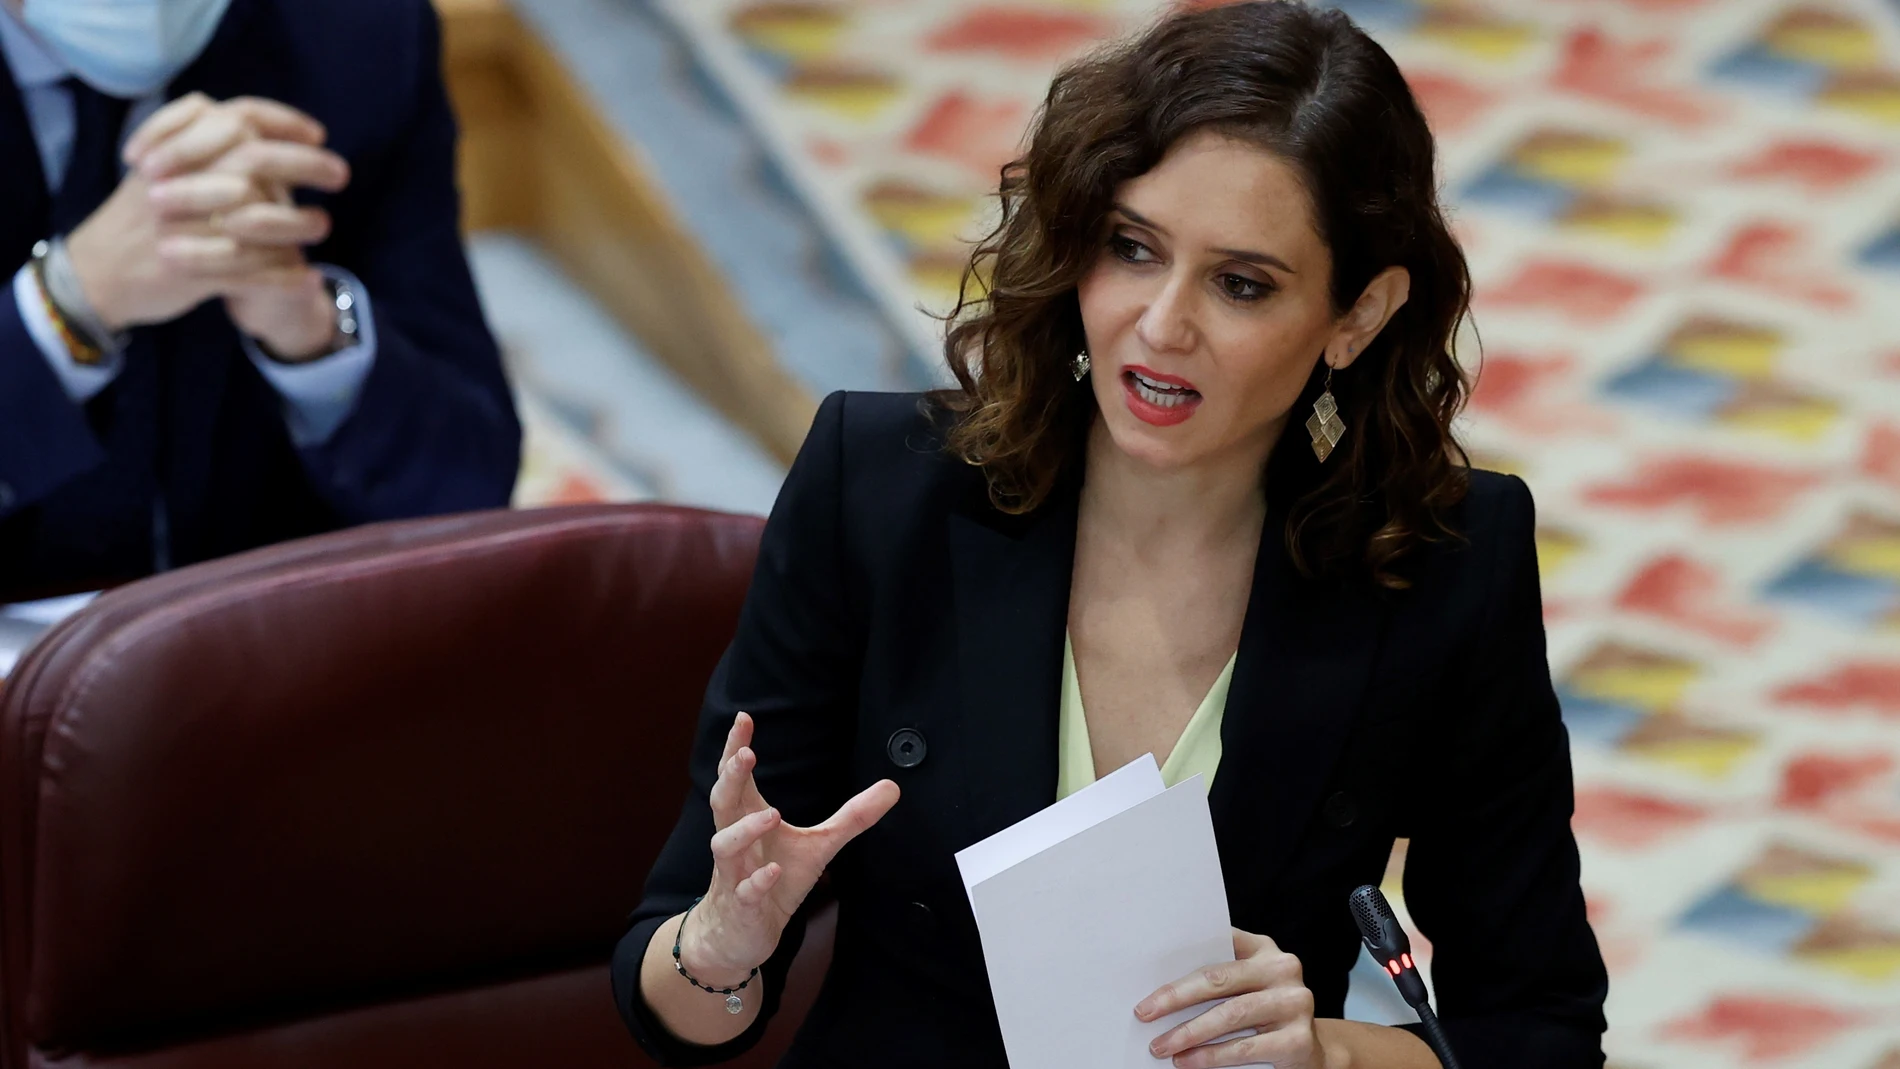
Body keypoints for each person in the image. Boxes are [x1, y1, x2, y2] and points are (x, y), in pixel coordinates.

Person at [612, 3, 1609, 1067]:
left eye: (1241, 284)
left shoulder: (1445, 559)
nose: (1162, 324)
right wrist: (724, 945)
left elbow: (1537, 1029)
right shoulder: (880, 489)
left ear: (1357, 316)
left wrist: (1332, 1054)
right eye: (1133, 248)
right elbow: (674, 1004)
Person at [0, 0, 520, 600]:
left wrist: (316, 336)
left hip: (266, 643)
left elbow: (472, 490)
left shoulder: (360, 32)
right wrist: (63, 307)